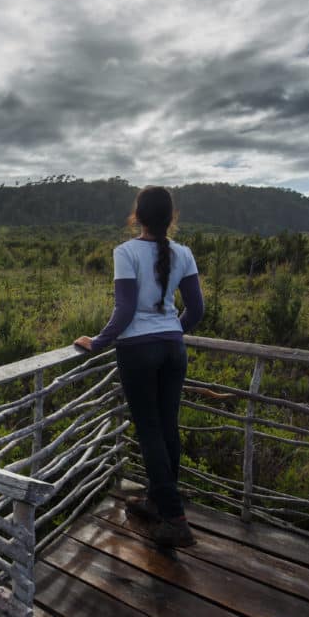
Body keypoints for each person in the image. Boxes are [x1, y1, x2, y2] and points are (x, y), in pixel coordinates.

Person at [74, 185, 204, 547]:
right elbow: (196, 310)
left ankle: (176, 520)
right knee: (167, 428)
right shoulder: (184, 253)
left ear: (138, 216)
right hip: (173, 349)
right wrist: (171, 329)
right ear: (170, 217)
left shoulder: (126, 252)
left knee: (148, 430)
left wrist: (97, 342)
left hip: (138, 351)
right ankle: (158, 503)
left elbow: (125, 310)